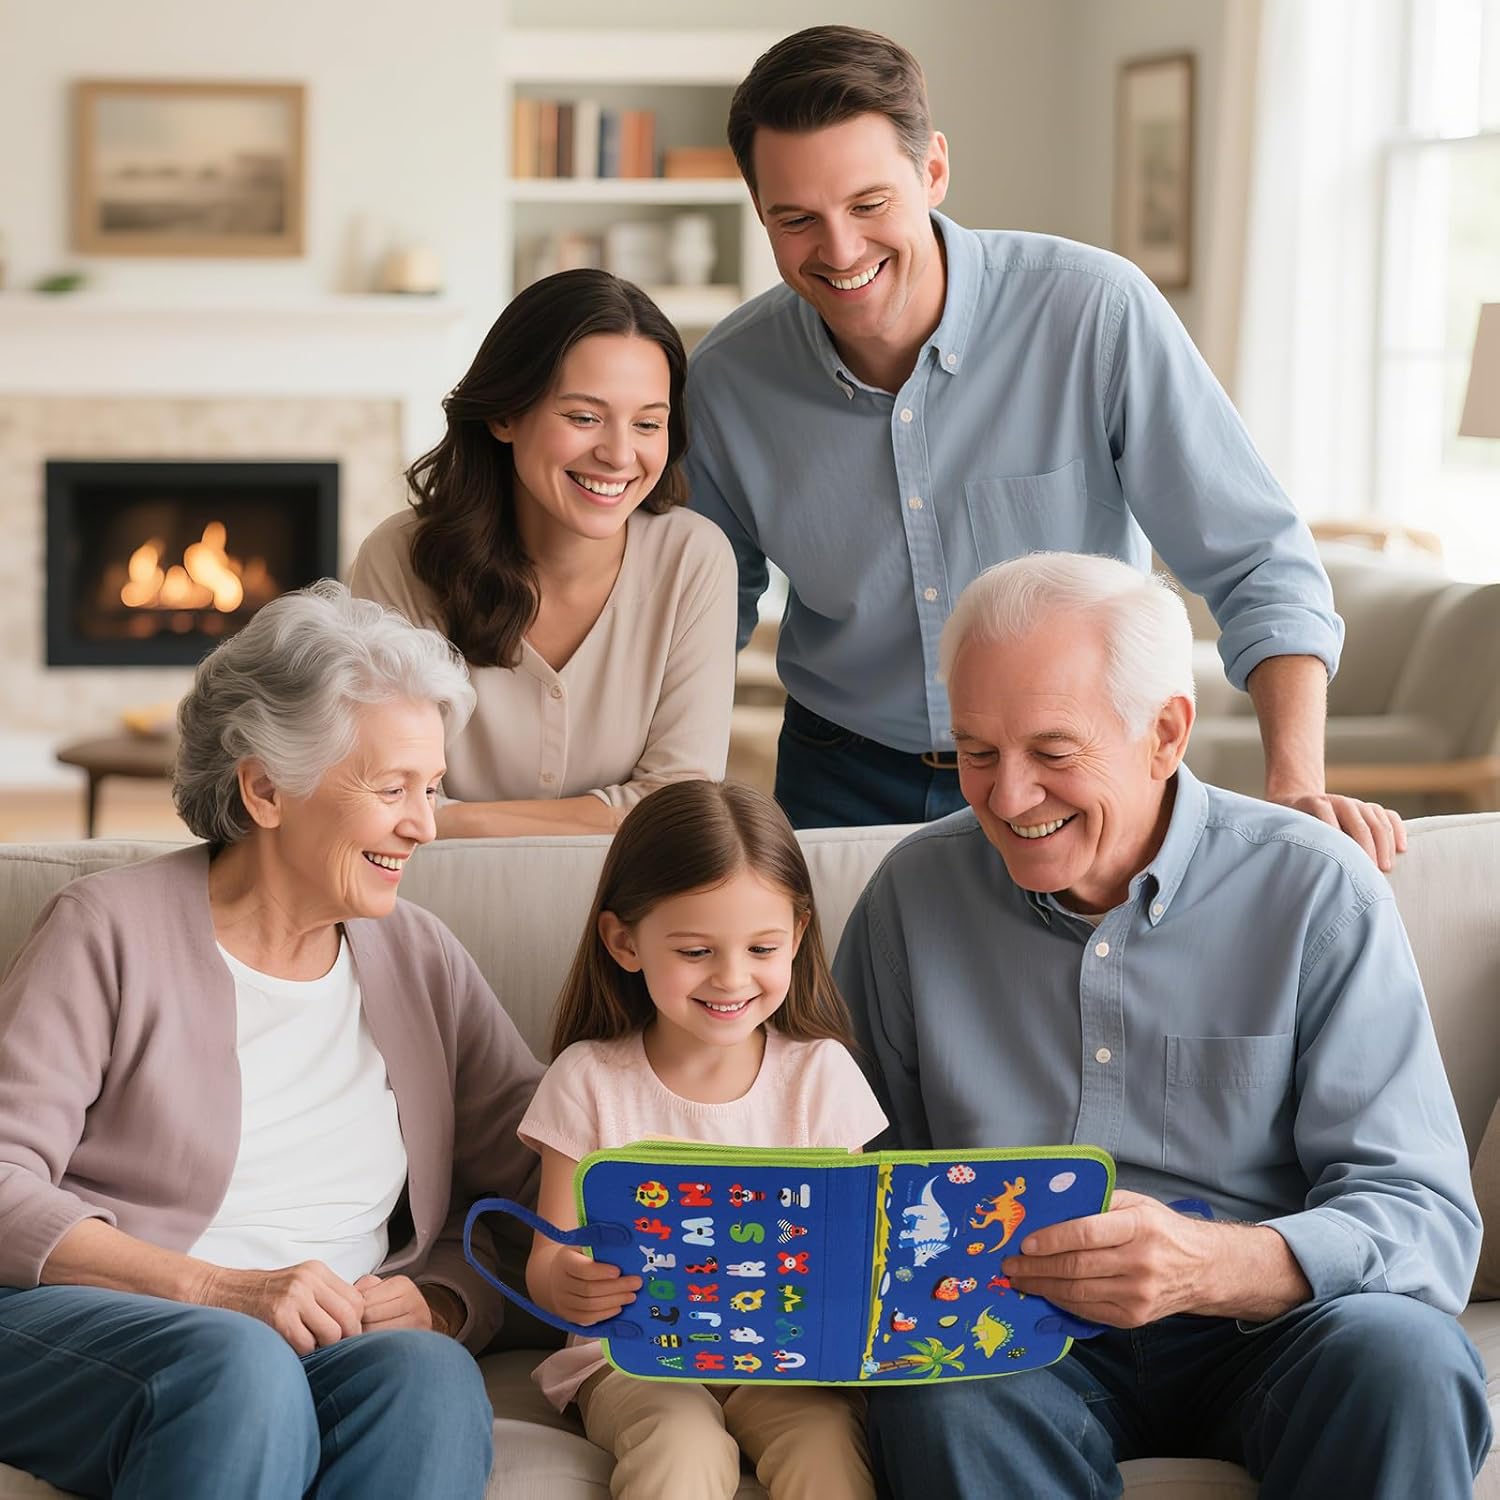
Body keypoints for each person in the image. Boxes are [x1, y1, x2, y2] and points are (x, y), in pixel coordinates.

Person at [832, 553, 1488, 1500]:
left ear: (1165, 733)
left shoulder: (1315, 891)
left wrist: (1218, 1265)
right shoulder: (912, 897)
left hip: (1272, 1329)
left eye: (1054, 753)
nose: (1007, 798)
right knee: (935, 1390)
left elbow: (1423, 1218)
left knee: (1410, 1361)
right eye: (976, 752)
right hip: (1013, 1334)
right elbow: (849, 1175)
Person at [685, 25, 1404, 872]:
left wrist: (1295, 783)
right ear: (761, 211)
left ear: (933, 171)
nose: (840, 251)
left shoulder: (1094, 315)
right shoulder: (727, 381)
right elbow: (694, 618)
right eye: (797, 219)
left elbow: (1259, 561)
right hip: (840, 778)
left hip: (1083, 768)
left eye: (869, 205)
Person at [0, 581, 543, 1500]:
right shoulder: (107, 929)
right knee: (239, 1364)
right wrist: (218, 1290)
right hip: (97, 1327)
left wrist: (446, 1301)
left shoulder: (422, 958)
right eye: (392, 789)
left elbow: (536, 1176)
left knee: (428, 1378)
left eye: (432, 789)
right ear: (264, 789)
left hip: (330, 1344)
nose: (425, 825)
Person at [517, 779, 887, 1500]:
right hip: (633, 1359)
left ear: (798, 936)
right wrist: (567, 1283)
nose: (731, 978)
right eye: (695, 950)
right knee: (682, 1448)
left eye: (762, 947)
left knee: (826, 1449)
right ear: (624, 942)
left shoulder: (821, 1075)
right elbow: (548, 1259)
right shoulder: (588, 1079)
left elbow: (849, 1250)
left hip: (786, 1363)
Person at [352, 267, 737, 838]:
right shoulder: (400, 559)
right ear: (505, 415)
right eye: (584, 417)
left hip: (628, 894)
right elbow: (380, 795)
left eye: (647, 423)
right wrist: (609, 816)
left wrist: (456, 819)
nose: (619, 454)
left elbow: (677, 808)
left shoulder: (693, 560)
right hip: (437, 888)